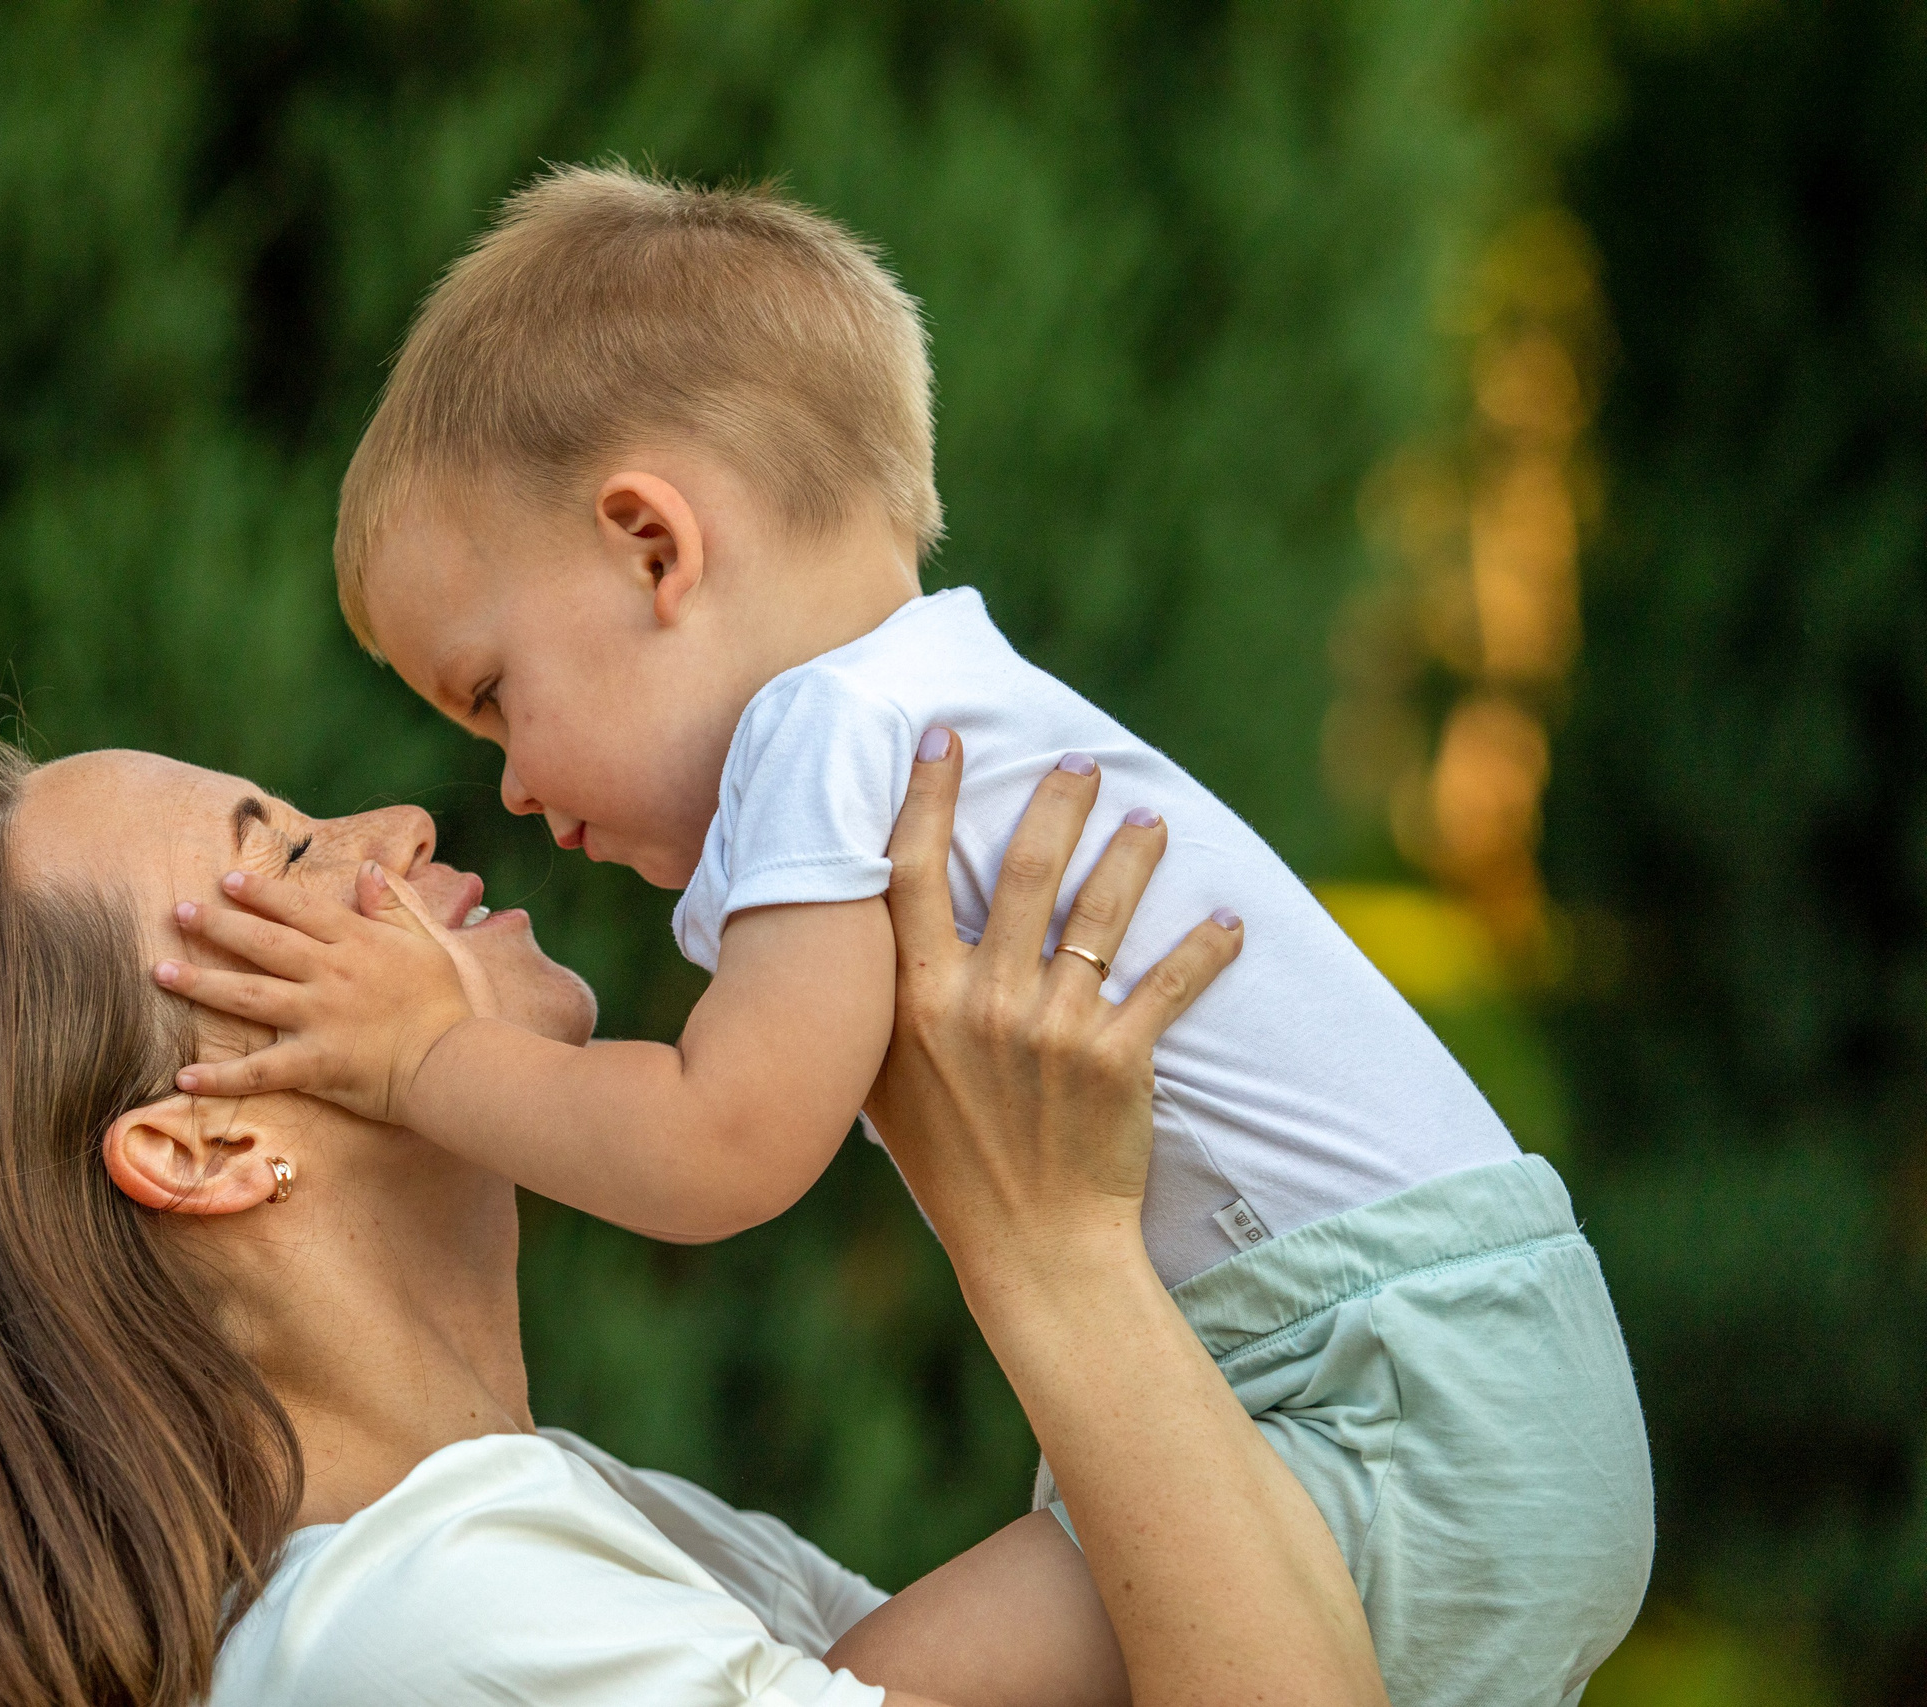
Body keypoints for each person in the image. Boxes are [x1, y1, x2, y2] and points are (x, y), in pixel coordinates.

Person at [165, 165, 1655, 1705]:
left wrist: (423, 1056)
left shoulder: (831, 731)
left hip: (1381, 1394)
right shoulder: (926, 707)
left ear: (654, 548)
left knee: (866, 1679)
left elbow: (719, 1147)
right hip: (1429, 1368)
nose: (513, 787)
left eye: (491, 697)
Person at [0, 730, 1382, 1707]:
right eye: (296, 856)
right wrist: (1055, 1246)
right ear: (199, 1145)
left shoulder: (534, 1542)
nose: (398, 822)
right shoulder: (427, 1635)